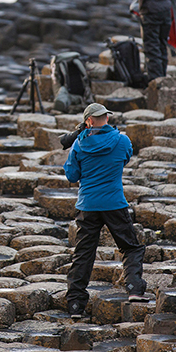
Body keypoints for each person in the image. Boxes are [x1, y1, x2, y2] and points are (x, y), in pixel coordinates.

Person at [63, 103, 147, 316]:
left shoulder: (79, 145)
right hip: (114, 204)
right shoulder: (122, 140)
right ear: (105, 119)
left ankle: (75, 304)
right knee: (131, 247)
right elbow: (125, 158)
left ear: (88, 121)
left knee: (83, 254)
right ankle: (134, 289)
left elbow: (72, 175)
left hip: (87, 206)